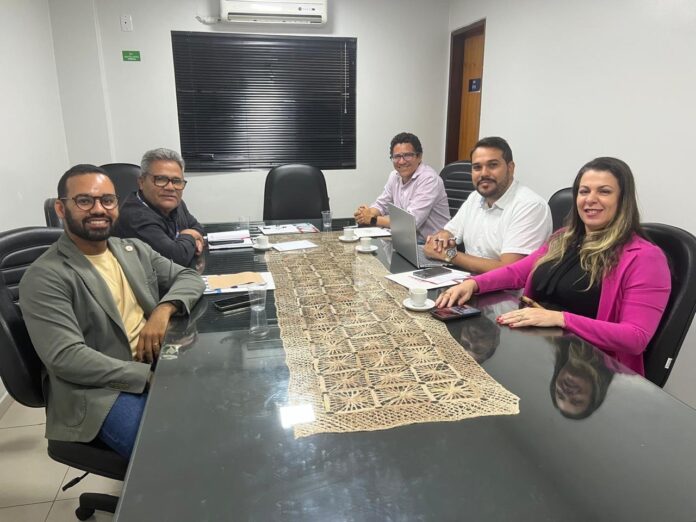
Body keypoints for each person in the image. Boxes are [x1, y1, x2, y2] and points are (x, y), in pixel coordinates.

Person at [20, 165, 205, 458]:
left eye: (107, 200)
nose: (99, 209)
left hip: (153, 359)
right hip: (98, 389)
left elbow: (190, 277)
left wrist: (163, 310)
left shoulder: (131, 249)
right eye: (84, 200)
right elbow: (66, 358)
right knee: (172, 453)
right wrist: (145, 376)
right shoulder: (45, 276)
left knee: (217, 413)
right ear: (61, 208)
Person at [436, 157, 671, 376]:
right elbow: (517, 272)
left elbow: (635, 337)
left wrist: (560, 319)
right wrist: (473, 284)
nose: (590, 199)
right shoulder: (563, 238)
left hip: (593, 371)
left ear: (623, 200)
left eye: (604, 191)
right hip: (539, 353)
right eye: (584, 191)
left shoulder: (646, 258)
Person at [423, 136, 552, 273]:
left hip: (503, 286)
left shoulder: (530, 206)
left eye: (493, 165)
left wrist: (449, 255)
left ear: (510, 168)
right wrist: (441, 239)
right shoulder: (475, 198)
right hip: (466, 278)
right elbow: (449, 232)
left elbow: (509, 270)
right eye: (477, 167)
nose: (484, 173)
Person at [113, 148, 204, 266]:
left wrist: (191, 236)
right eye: (161, 179)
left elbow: (197, 227)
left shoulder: (175, 203)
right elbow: (176, 258)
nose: (170, 188)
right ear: (141, 182)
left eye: (176, 181)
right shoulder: (135, 217)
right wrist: (190, 235)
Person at [353, 132, 450, 241]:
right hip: (405, 241)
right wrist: (366, 214)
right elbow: (381, 204)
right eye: (397, 156)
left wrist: (372, 219)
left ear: (419, 157)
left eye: (407, 155)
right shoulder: (394, 176)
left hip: (432, 245)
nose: (402, 161)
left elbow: (410, 223)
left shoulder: (429, 179)